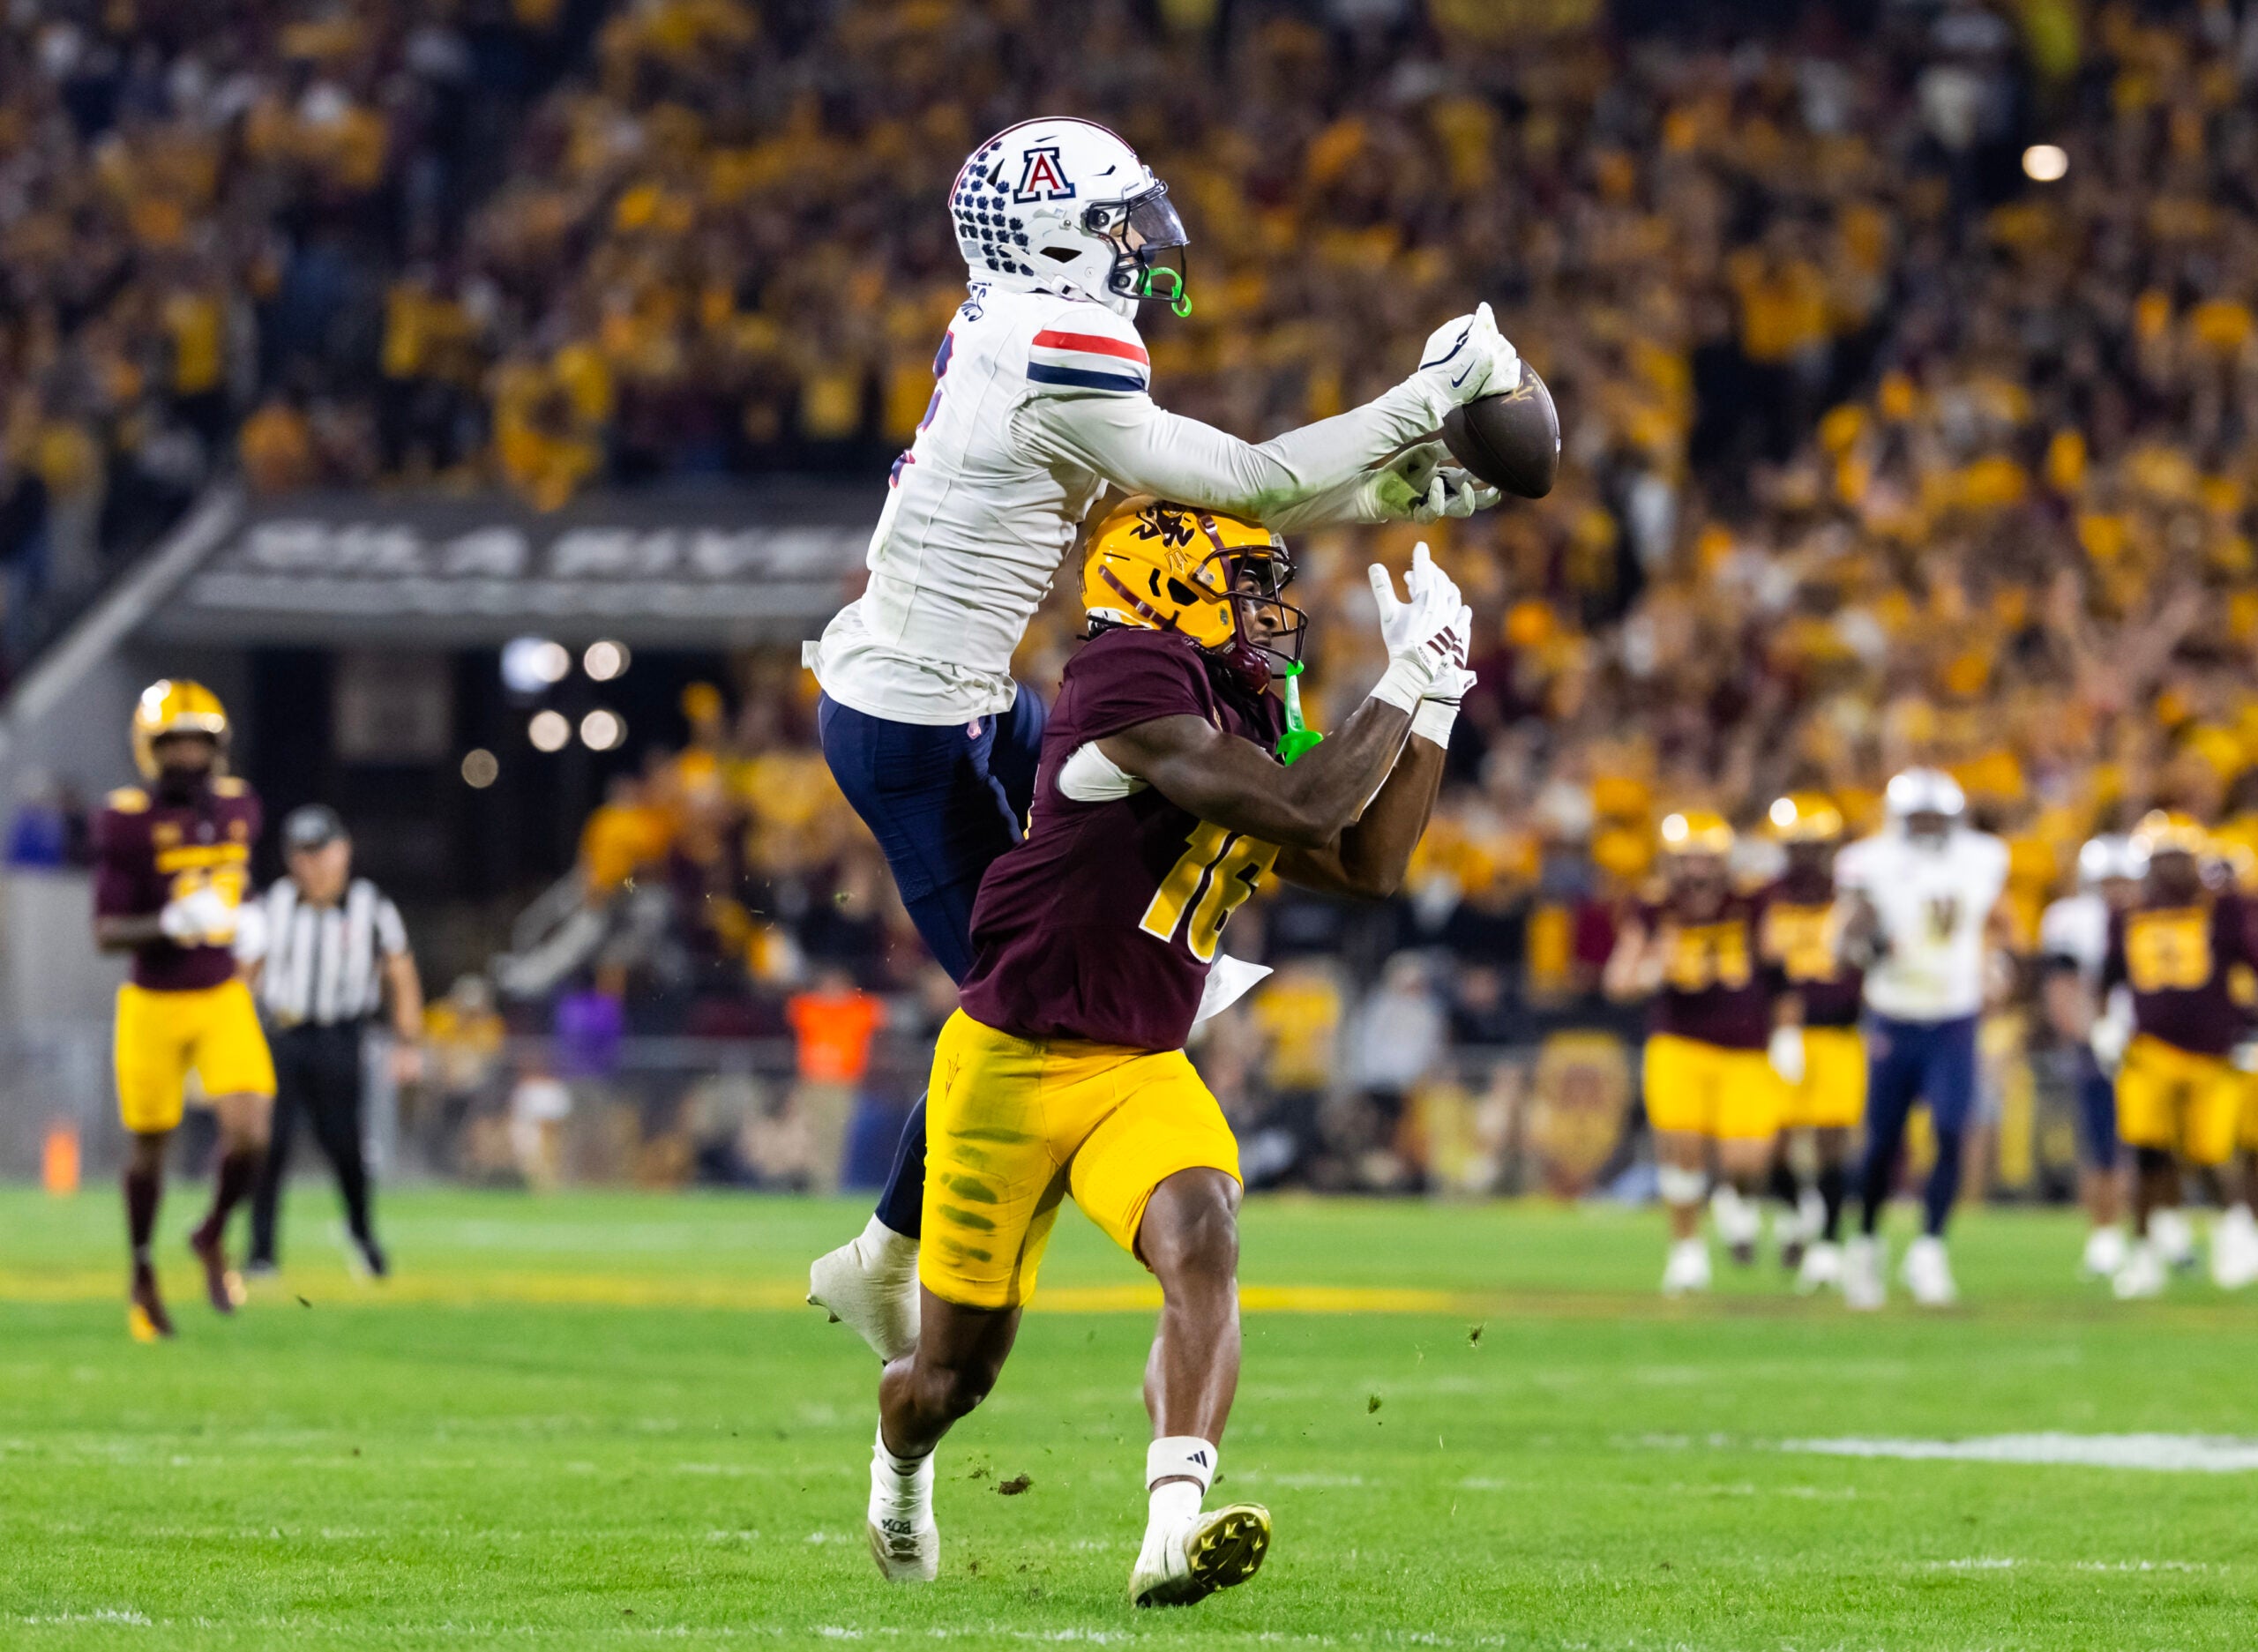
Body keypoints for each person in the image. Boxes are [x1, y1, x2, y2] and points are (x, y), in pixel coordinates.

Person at [804, 116, 1514, 1361]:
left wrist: (1392, 490)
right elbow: (1244, 480)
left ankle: (887, 1254)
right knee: (1026, 1005)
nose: (1142, 242)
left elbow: (1196, 488)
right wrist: (1426, 401)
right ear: (1056, 240)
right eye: (1116, 221)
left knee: (1069, 925)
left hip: (957, 693)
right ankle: (886, 1260)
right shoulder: (1050, 337)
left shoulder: (1018, 331)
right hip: (911, 723)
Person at [864, 505, 1469, 1605]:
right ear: (1165, 584)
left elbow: (1366, 862)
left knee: (1205, 1232)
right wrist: (1395, 684)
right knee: (952, 1378)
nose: (1262, 611)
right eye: (1238, 583)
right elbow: (1300, 798)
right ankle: (898, 1467)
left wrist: (1436, 701)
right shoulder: (1124, 678)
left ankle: (1171, 1529)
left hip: (1135, 1062)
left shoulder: (1234, 697)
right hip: (1007, 1062)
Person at [93, 679, 274, 1340]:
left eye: (200, 743)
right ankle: (142, 1268)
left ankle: (212, 1231)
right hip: (153, 1000)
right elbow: (105, 932)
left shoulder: (239, 806)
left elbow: (238, 879)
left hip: (221, 991)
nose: (190, 757)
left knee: (252, 1130)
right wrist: (169, 922)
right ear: (151, 748)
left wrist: (250, 916)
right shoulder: (125, 818)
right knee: (150, 1147)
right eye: (176, 743)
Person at [1834, 769, 2012, 1309]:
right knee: (1882, 1141)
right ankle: (1865, 1244)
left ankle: (1930, 1249)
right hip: (1894, 1013)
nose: (1930, 827)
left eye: (1938, 818)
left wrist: (1999, 960)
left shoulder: (1983, 857)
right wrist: (1865, 943)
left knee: (1954, 1128)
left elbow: (1996, 919)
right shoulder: (1869, 861)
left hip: (1955, 1014)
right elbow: (1846, 939)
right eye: (1921, 818)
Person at [1603, 810, 1789, 1296]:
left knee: (1748, 1162)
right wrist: (1649, 973)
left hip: (1745, 1044)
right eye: (1689, 861)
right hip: (1679, 1040)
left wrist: (1788, 1030)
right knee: (1681, 1150)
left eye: (1707, 861)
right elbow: (1618, 980)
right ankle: (1686, 1252)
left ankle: (1733, 1199)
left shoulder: (1751, 899)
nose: (1698, 872)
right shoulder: (1652, 906)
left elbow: (1779, 964)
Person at [242, 805, 422, 1278]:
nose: (311, 865)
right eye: (301, 854)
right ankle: (261, 1252)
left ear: (342, 851)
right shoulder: (272, 905)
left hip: (341, 1036)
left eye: (319, 852)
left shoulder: (372, 907)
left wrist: (408, 1042)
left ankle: (362, 1236)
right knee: (270, 1142)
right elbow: (245, 974)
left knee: (345, 1143)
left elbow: (400, 975)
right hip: (282, 1035)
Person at [2093, 812, 2258, 1298]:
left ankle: (2236, 1233)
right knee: (2146, 1153)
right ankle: (2144, 1255)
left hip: (2212, 1053)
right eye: (2159, 860)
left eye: (2177, 860)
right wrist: (2104, 1023)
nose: (2168, 871)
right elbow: (2108, 978)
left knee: (2210, 1154)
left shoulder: (2222, 911)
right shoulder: (2126, 914)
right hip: (2149, 1052)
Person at [1757, 793, 1865, 1293]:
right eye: (1797, 846)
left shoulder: (1850, 895)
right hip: (1781, 1035)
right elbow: (1760, 967)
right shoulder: (1766, 899)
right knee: (1766, 1144)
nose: (1805, 856)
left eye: (1813, 846)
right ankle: (1801, 1209)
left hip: (1837, 1032)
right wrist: (1778, 1020)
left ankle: (1826, 1243)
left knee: (1831, 1143)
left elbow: (1863, 961)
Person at [2037, 833, 2146, 1281]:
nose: (2117, 890)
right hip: (2097, 1042)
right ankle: (2104, 1236)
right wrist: (2092, 1033)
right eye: (2109, 880)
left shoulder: (2155, 916)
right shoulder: (2071, 919)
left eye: (2124, 880)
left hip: (2151, 1043)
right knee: (2100, 1143)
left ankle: (2157, 1235)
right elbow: (2062, 989)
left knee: (2150, 1147)